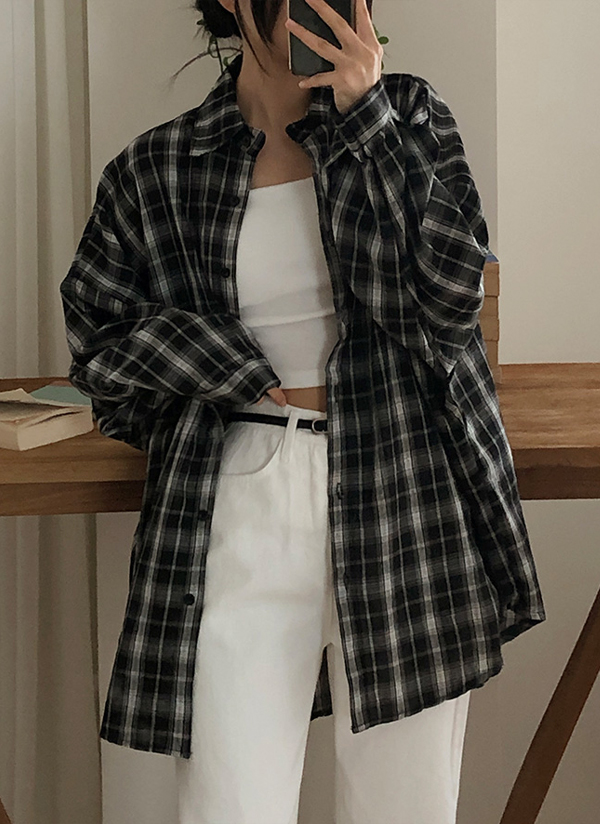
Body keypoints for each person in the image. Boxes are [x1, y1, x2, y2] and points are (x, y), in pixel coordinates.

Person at [59, 0, 547, 822]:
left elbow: (450, 302)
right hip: (240, 490)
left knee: (406, 806)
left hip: (403, 484)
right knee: (231, 803)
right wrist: (222, 364)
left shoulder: (409, 117)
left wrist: (367, 120)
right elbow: (98, 343)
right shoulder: (158, 165)